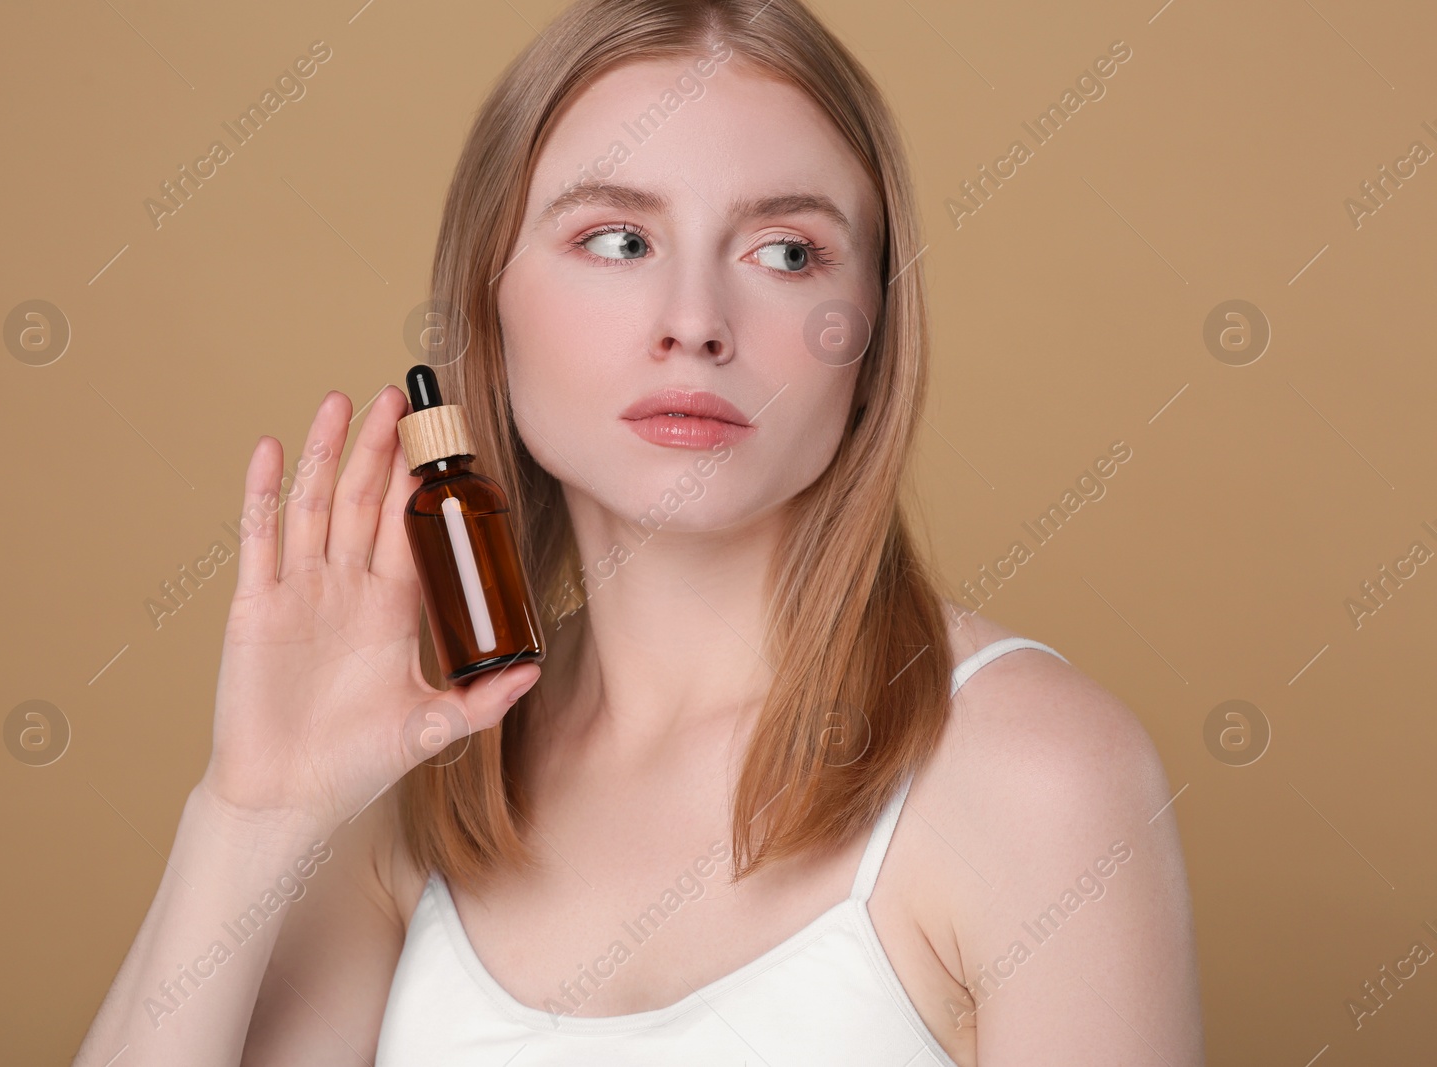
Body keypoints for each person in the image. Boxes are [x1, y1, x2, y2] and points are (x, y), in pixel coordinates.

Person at [74, 0, 1203, 1063]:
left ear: (872, 334)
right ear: (489, 305)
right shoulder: (420, 779)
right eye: (618, 241)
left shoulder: (1036, 774)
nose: (695, 324)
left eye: (787, 252)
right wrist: (249, 814)